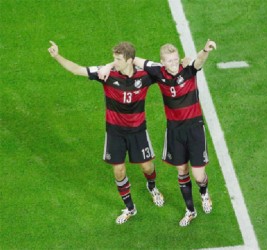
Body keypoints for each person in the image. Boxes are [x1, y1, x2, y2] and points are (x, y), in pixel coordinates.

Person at [98, 39, 216, 227]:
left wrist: (205, 50)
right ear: (162, 62)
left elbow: (199, 61)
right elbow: (132, 59)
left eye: (176, 59)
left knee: (199, 176)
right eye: (169, 61)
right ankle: (190, 211)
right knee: (181, 170)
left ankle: (204, 193)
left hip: (194, 129)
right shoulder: (157, 71)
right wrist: (109, 65)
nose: (174, 64)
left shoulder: (188, 70)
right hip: (174, 130)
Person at [48, 41, 164, 225]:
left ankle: (152, 187)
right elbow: (77, 69)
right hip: (115, 132)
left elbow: (165, 68)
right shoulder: (106, 74)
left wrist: (185, 61)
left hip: (138, 131)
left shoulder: (145, 75)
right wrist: (57, 56)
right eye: (114, 58)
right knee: (119, 170)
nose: (114, 62)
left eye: (118, 59)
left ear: (130, 60)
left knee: (147, 167)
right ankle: (130, 208)